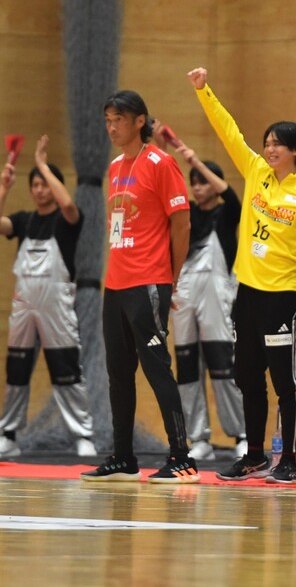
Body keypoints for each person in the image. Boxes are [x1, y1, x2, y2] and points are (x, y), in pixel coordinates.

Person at [189, 67, 296, 484]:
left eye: (276, 144)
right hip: (246, 294)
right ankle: (253, 456)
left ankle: (291, 458)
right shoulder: (255, 172)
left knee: (286, 382)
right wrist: (204, 91)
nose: (268, 149)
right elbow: (229, 131)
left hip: (283, 298)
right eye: (266, 143)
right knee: (247, 377)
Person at [82, 91, 197, 483]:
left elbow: (181, 223)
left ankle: (182, 457)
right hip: (115, 284)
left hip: (149, 281)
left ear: (139, 121)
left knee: (157, 368)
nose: (112, 127)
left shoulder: (161, 163)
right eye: (108, 120)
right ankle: (123, 457)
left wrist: (171, 276)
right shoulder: (116, 167)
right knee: (118, 372)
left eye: (119, 119)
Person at [0, 135, 96, 459]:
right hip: (23, 305)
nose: (40, 189)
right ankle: (8, 436)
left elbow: (69, 206)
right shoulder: (24, 220)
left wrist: (43, 165)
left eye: (45, 183)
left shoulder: (67, 221)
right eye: (35, 184)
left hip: (56, 306)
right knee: (16, 371)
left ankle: (82, 435)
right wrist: (4, 187)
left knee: (66, 371)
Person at [170, 143, 247, 461]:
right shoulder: (185, 215)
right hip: (184, 294)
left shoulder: (227, 213)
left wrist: (196, 162)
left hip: (217, 294)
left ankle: (241, 434)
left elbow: (231, 196)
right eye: (194, 182)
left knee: (223, 369)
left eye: (203, 181)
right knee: (187, 370)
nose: (198, 187)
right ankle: (199, 437)